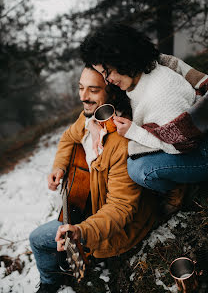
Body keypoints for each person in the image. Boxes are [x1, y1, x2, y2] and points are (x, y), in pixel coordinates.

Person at [29, 67, 158, 293]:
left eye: (93, 89)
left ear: (113, 93)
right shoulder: (90, 117)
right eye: (80, 88)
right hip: (89, 202)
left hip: (117, 227)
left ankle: (50, 285)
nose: (83, 96)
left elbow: (121, 208)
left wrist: (82, 231)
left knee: (37, 240)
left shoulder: (122, 143)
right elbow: (68, 138)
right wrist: (59, 166)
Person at [80, 23, 208, 214]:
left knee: (140, 169)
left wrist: (134, 132)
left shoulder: (161, 93)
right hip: (186, 140)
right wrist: (92, 124)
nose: (107, 80)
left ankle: (179, 188)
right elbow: (98, 108)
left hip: (198, 151)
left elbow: (180, 146)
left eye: (107, 72)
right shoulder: (140, 73)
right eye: (102, 74)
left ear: (123, 58)